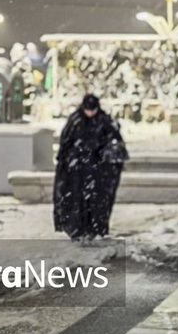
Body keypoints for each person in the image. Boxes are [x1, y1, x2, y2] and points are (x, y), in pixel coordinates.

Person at [53, 94, 127, 241]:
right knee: (77, 202)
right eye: (88, 110)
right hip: (78, 172)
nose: (91, 114)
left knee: (96, 203)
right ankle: (78, 229)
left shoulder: (104, 122)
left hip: (97, 171)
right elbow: (66, 145)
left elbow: (115, 145)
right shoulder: (76, 122)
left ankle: (95, 228)